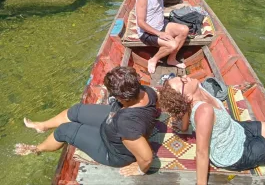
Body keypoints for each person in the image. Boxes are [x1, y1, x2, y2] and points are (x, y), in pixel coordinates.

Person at [15, 66, 158, 177]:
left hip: (113, 151)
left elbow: (146, 158)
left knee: (64, 130)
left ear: (121, 97)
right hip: (114, 121)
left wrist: (140, 169)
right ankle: (43, 125)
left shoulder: (127, 124)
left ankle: (37, 149)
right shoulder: (145, 91)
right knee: (75, 111)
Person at [158, 75, 265, 185]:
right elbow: (201, 152)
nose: (185, 77)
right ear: (187, 97)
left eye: (181, 76)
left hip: (237, 129)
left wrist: (183, 127)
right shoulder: (203, 111)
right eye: (182, 82)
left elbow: (184, 109)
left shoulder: (198, 89)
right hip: (235, 154)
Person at [135, 0, 189, 74]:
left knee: (184, 30)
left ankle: (171, 59)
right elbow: (140, 22)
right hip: (147, 32)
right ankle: (153, 59)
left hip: (161, 24)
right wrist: (159, 34)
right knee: (172, 45)